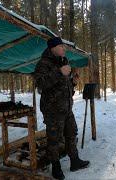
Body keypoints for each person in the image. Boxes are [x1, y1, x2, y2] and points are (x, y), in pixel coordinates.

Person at [34, 37, 89, 180]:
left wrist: (73, 82)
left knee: (71, 134)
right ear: (53, 48)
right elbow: (40, 85)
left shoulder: (63, 62)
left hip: (66, 109)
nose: (64, 49)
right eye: (61, 46)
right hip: (52, 111)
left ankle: (75, 161)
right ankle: (56, 168)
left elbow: (63, 87)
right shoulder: (43, 63)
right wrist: (60, 72)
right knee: (54, 140)